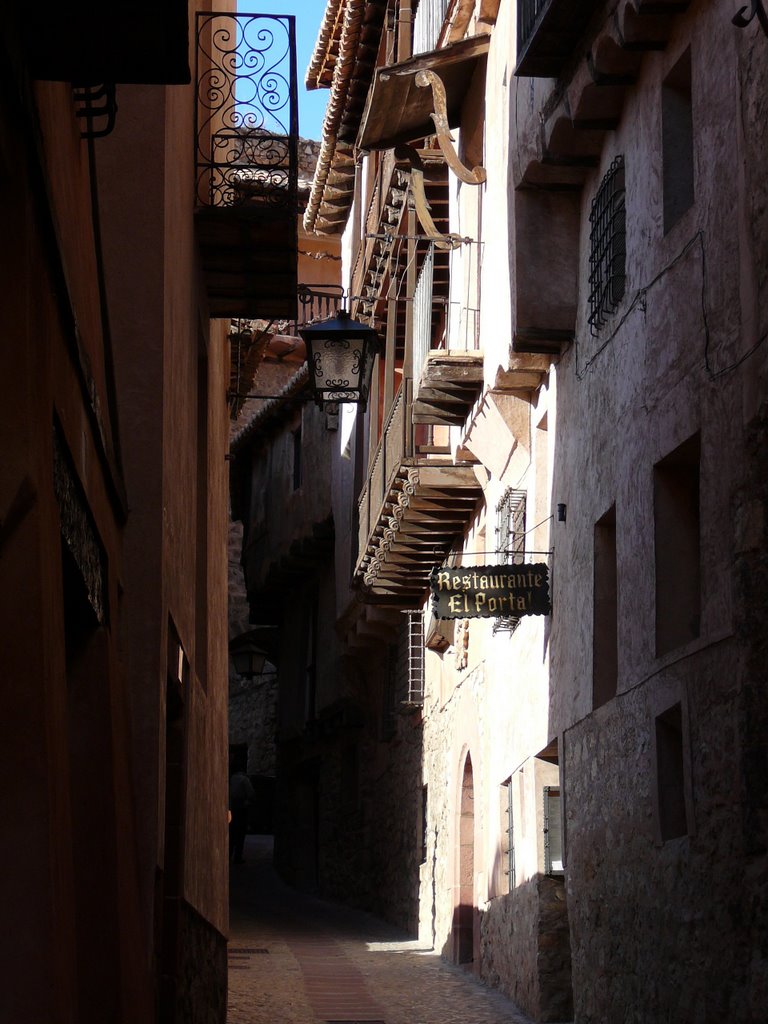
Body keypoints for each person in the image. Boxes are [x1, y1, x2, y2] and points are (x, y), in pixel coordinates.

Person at [228, 768, 256, 864]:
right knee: (240, 833)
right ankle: (237, 856)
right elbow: (251, 793)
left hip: (232, 806)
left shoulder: (231, 778)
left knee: (231, 832)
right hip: (241, 807)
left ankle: (228, 854)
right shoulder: (244, 779)